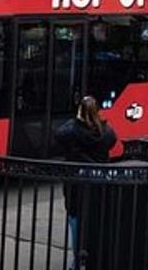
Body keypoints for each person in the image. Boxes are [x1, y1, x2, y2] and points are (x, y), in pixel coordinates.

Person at [55, 96, 117, 270]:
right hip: (98, 183)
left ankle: (78, 261)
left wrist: (76, 120)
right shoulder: (105, 131)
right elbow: (112, 139)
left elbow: (59, 134)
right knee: (96, 221)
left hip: (77, 184)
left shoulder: (73, 131)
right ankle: (94, 259)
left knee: (75, 220)